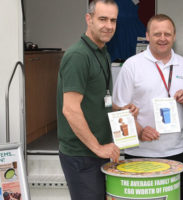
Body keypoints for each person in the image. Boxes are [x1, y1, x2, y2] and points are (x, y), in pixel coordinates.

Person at [56, 1, 136, 199]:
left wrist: (119, 109)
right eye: (102, 19)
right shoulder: (78, 56)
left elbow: (98, 99)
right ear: (88, 19)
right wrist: (98, 148)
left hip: (97, 152)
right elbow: (71, 109)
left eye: (113, 20)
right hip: (82, 155)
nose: (108, 25)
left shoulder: (102, 52)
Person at [112, 14, 183, 200]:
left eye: (167, 33)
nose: (163, 38)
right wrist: (140, 131)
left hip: (177, 151)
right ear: (147, 36)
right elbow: (117, 109)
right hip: (140, 153)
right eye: (157, 34)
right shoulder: (132, 65)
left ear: (174, 36)